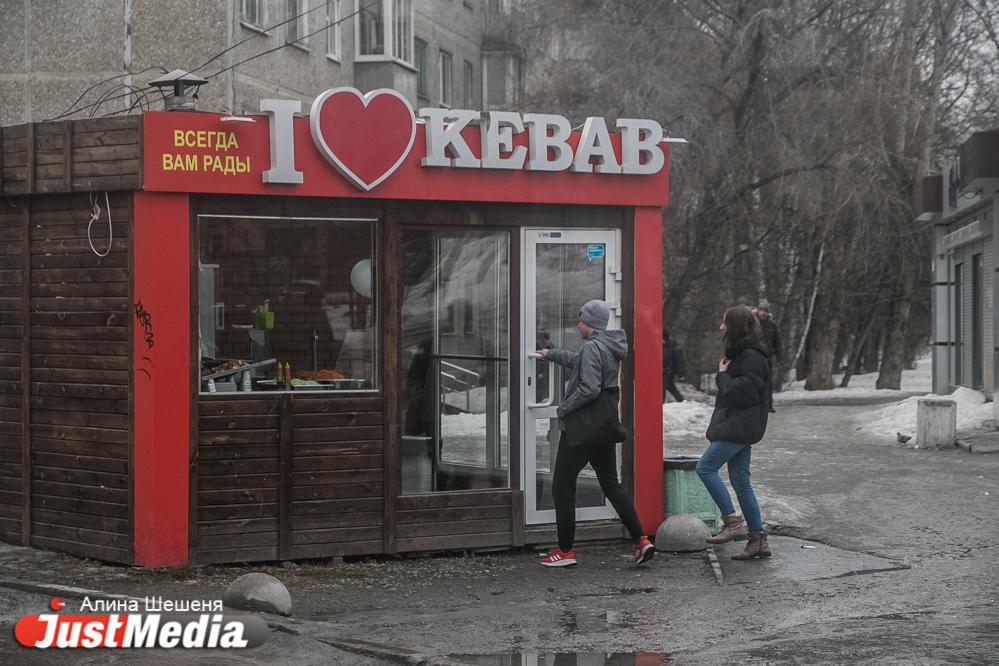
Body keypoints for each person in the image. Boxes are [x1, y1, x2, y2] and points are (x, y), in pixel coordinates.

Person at [536, 299, 655, 568]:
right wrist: (550, 354)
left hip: (582, 430)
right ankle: (641, 540)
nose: (578, 325)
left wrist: (563, 409)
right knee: (611, 484)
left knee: (562, 486)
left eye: (580, 321)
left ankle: (565, 551)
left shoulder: (592, 347)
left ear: (590, 323)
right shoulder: (608, 346)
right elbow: (578, 362)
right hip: (603, 427)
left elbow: (589, 388)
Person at [696, 305, 774, 560]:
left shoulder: (751, 355)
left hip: (740, 424)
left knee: (705, 467)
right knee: (742, 483)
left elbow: (745, 392)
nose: (721, 328)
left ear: (736, 326)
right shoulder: (744, 353)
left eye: (725, 323)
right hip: (742, 424)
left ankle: (732, 521)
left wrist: (722, 376)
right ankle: (758, 540)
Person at [755, 299, 783, 396]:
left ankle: (768, 403)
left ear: (768, 312)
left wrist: (780, 358)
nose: (763, 313)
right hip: (754, 356)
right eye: (761, 310)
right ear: (758, 311)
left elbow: (777, 342)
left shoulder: (772, 325)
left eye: (765, 311)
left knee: (767, 381)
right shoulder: (753, 323)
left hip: (767, 357)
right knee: (755, 380)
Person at [662, 331, 684, 403]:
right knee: (670, 387)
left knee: (663, 387)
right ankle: (681, 400)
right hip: (665, 371)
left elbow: (678, 362)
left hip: (669, 371)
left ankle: (661, 403)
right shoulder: (664, 347)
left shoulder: (673, 349)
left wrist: (680, 374)